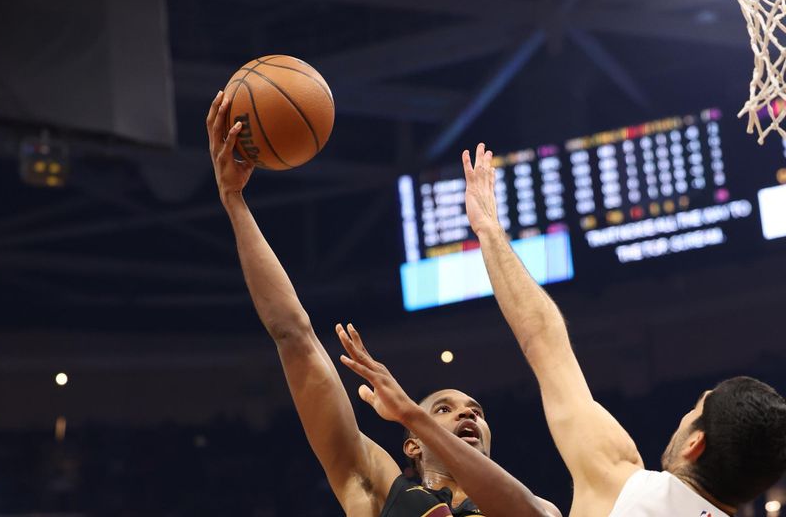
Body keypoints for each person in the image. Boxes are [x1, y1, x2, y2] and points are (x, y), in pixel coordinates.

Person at [206, 91, 560, 517]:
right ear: (411, 446)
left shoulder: (538, 508)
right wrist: (234, 201)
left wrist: (415, 414)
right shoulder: (377, 493)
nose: (467, 414)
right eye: (445, 409)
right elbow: (294, 336)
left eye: (476, 412)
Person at [462, 142, 786, 517]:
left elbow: (544, 342)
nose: (684, 416)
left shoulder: (619, 481)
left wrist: (489, 229)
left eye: (694, 410)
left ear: (695, 444)